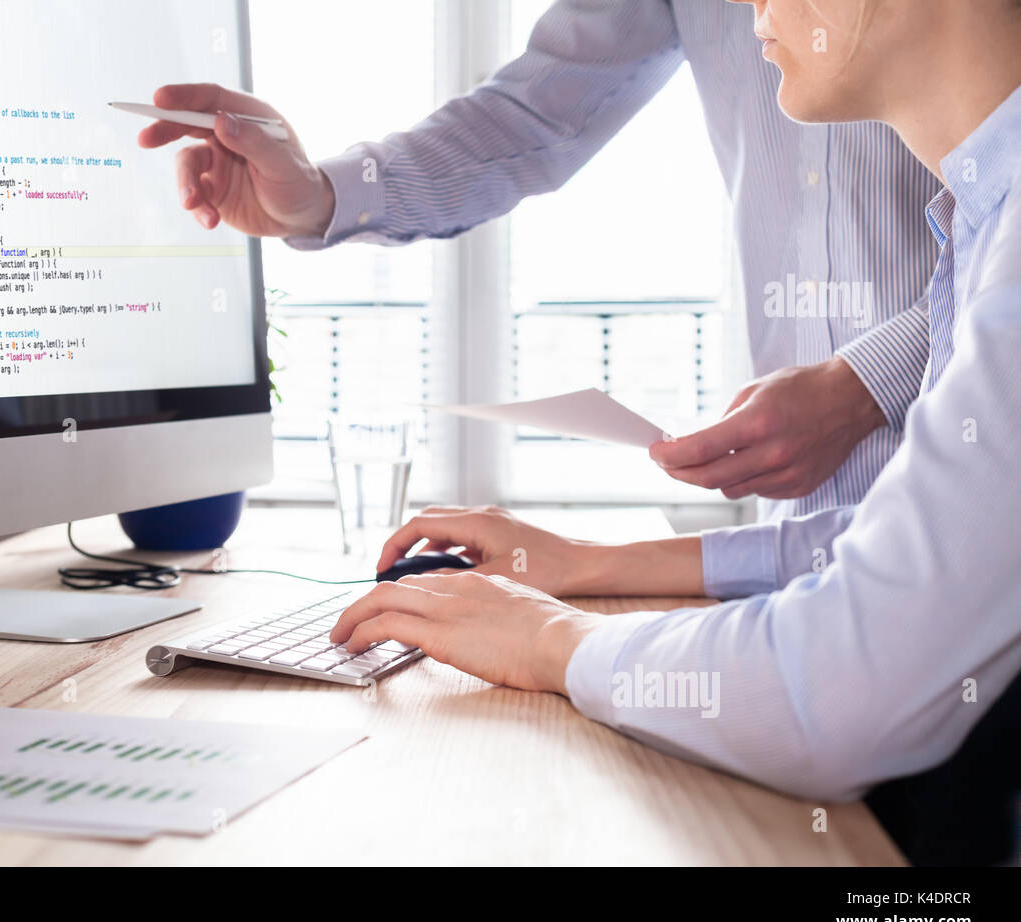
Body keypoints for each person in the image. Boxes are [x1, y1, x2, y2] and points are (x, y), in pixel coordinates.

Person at [321, 0, 1021, 841]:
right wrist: (587, 566)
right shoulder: (982, 225)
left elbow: (840, 686)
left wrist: (551, 641)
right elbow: (894, 551)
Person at [139, 0, 939, 520]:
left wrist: (869, 383)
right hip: (803, 530)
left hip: (977, 495)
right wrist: (318, 196)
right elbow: (536, 116)